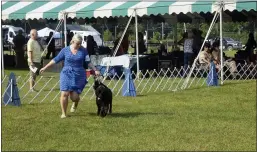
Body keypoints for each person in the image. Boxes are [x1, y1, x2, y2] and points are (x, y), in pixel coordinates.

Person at [40, 34, 100, 118]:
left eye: (80, 43)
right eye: (77, 43)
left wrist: (95, 69)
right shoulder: (65, 50)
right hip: (66, 73)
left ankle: (75, 102)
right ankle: (64, 113)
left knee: (74, 97)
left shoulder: (84, 50)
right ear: (73, 41)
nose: (79, 45)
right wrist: (45, 67)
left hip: (78, 75)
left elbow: (88, 62)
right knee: (64, 93)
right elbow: (56, 59)